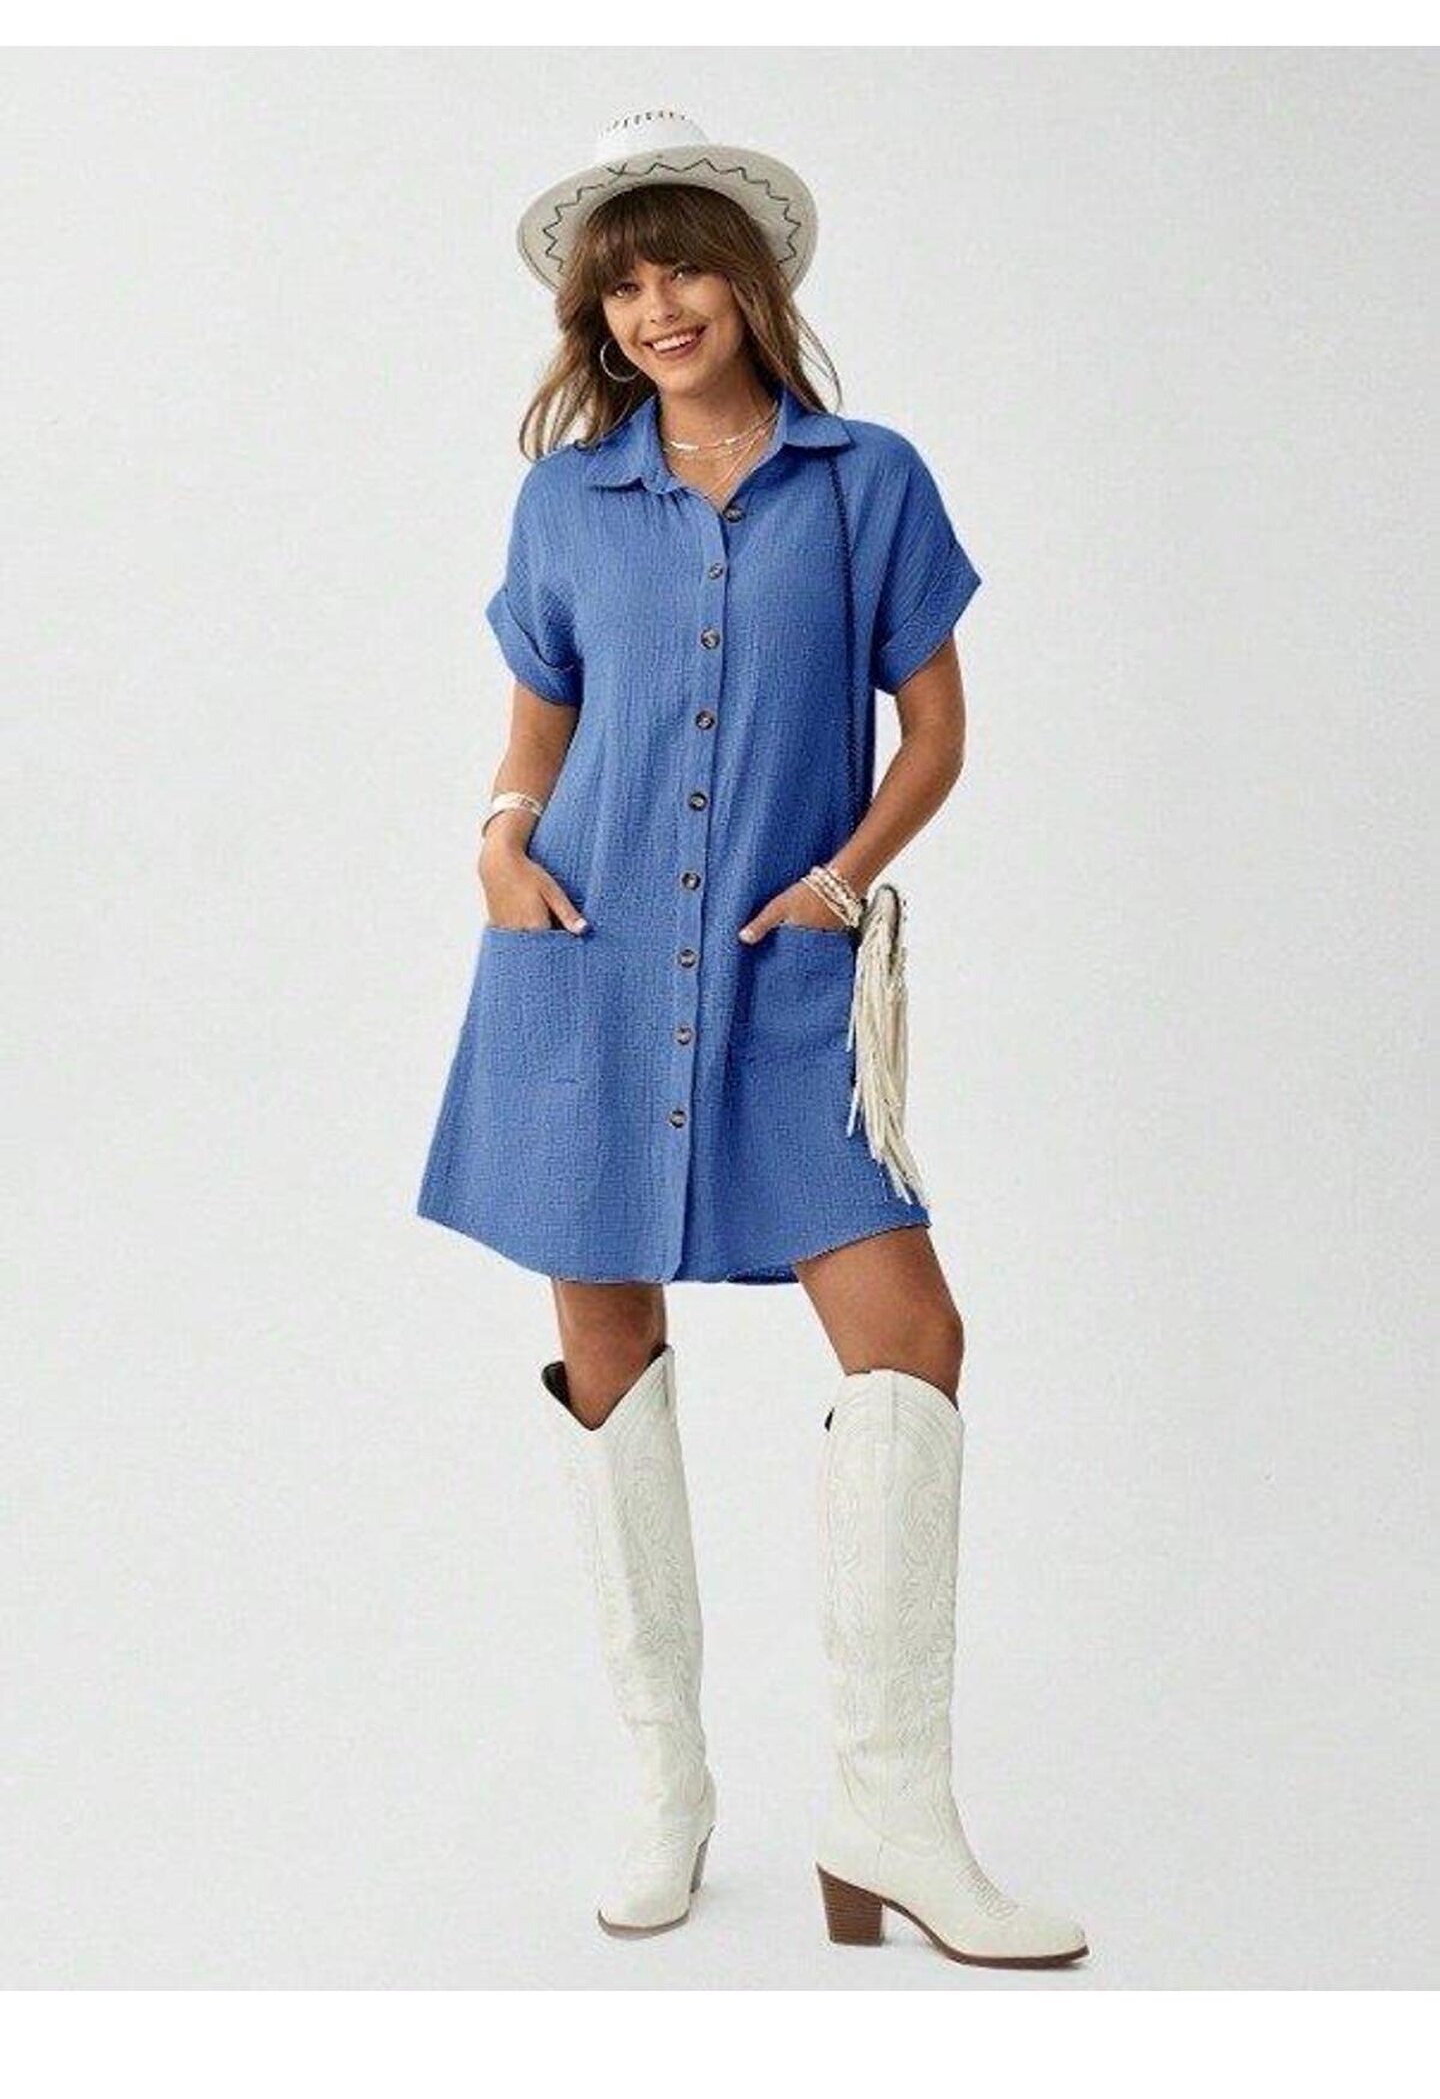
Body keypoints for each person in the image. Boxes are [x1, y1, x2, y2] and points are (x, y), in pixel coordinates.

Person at [416, 110, 1087, 1968]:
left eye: (685, 268)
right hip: (584, 950)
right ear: (594, 317)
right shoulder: (567, 499)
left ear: (751, 279)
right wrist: (497, 839)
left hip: (787, 968)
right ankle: (667, 1780)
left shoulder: (869, 481)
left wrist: (841, 882)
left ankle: (891, 1813)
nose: (659, 308)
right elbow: (540, 717)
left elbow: (935, 733)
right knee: (604, 1336)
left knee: (910, 1333)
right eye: (623, 286)